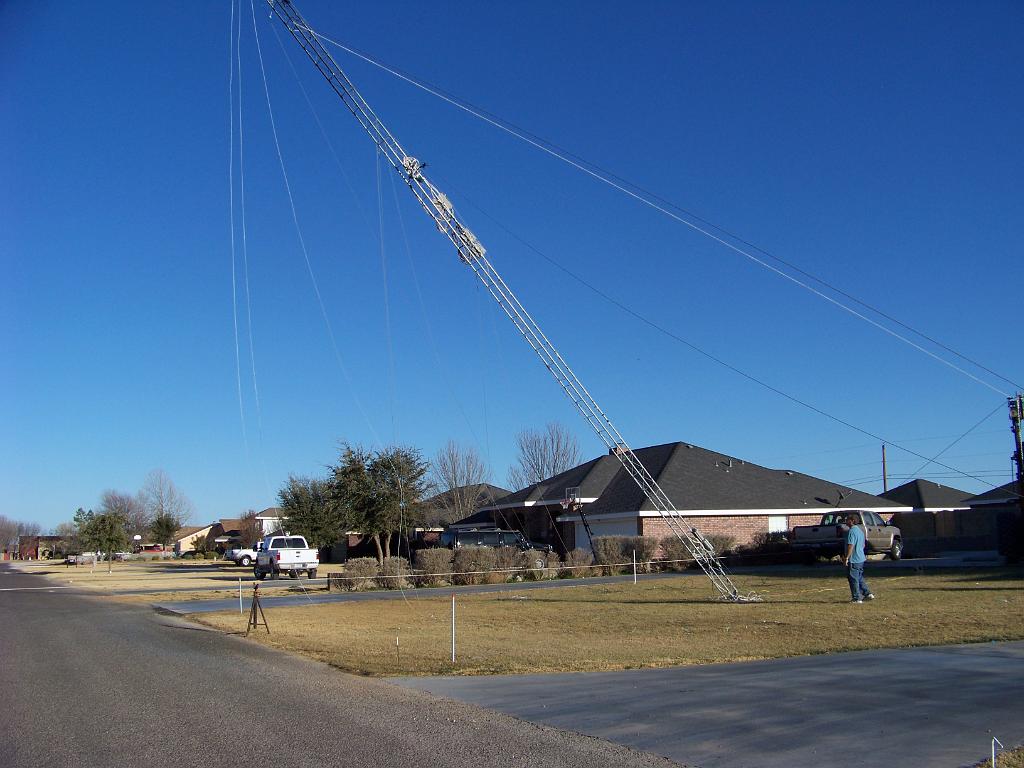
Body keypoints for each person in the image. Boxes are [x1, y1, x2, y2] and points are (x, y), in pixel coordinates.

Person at [843, 512, 875, 604]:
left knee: (853, 578)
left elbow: (850, 545)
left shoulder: (851, 531)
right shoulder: (860, 531)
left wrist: (847, 557)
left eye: (847, 519)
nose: (846, 521)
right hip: (861, 558)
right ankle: (867, 593)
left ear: (852, 521)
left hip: (854, 559)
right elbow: (863, 544)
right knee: (859, 577)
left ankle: (856, 598)